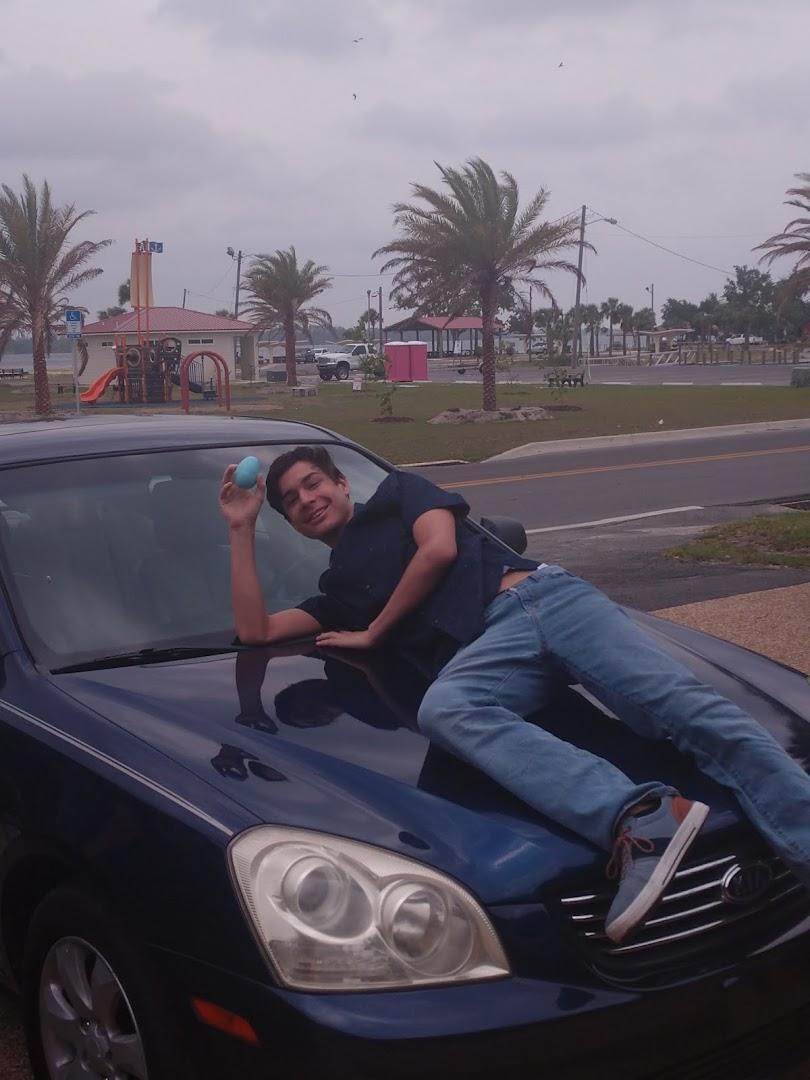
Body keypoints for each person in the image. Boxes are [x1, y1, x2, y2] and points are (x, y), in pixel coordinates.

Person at [219, 446, 810, 943]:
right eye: (291, 501)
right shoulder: (339, 593)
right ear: (291, 522)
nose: (306, 500)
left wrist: (376, 630)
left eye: (313, 484)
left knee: (684, 711)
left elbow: (440, 549)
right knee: (446, 708)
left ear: (342, 484)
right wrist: (241, 527)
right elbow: (257, 631)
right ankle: (644, 818)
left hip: (545, 599)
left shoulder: (400, 492)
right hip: (494, 651)